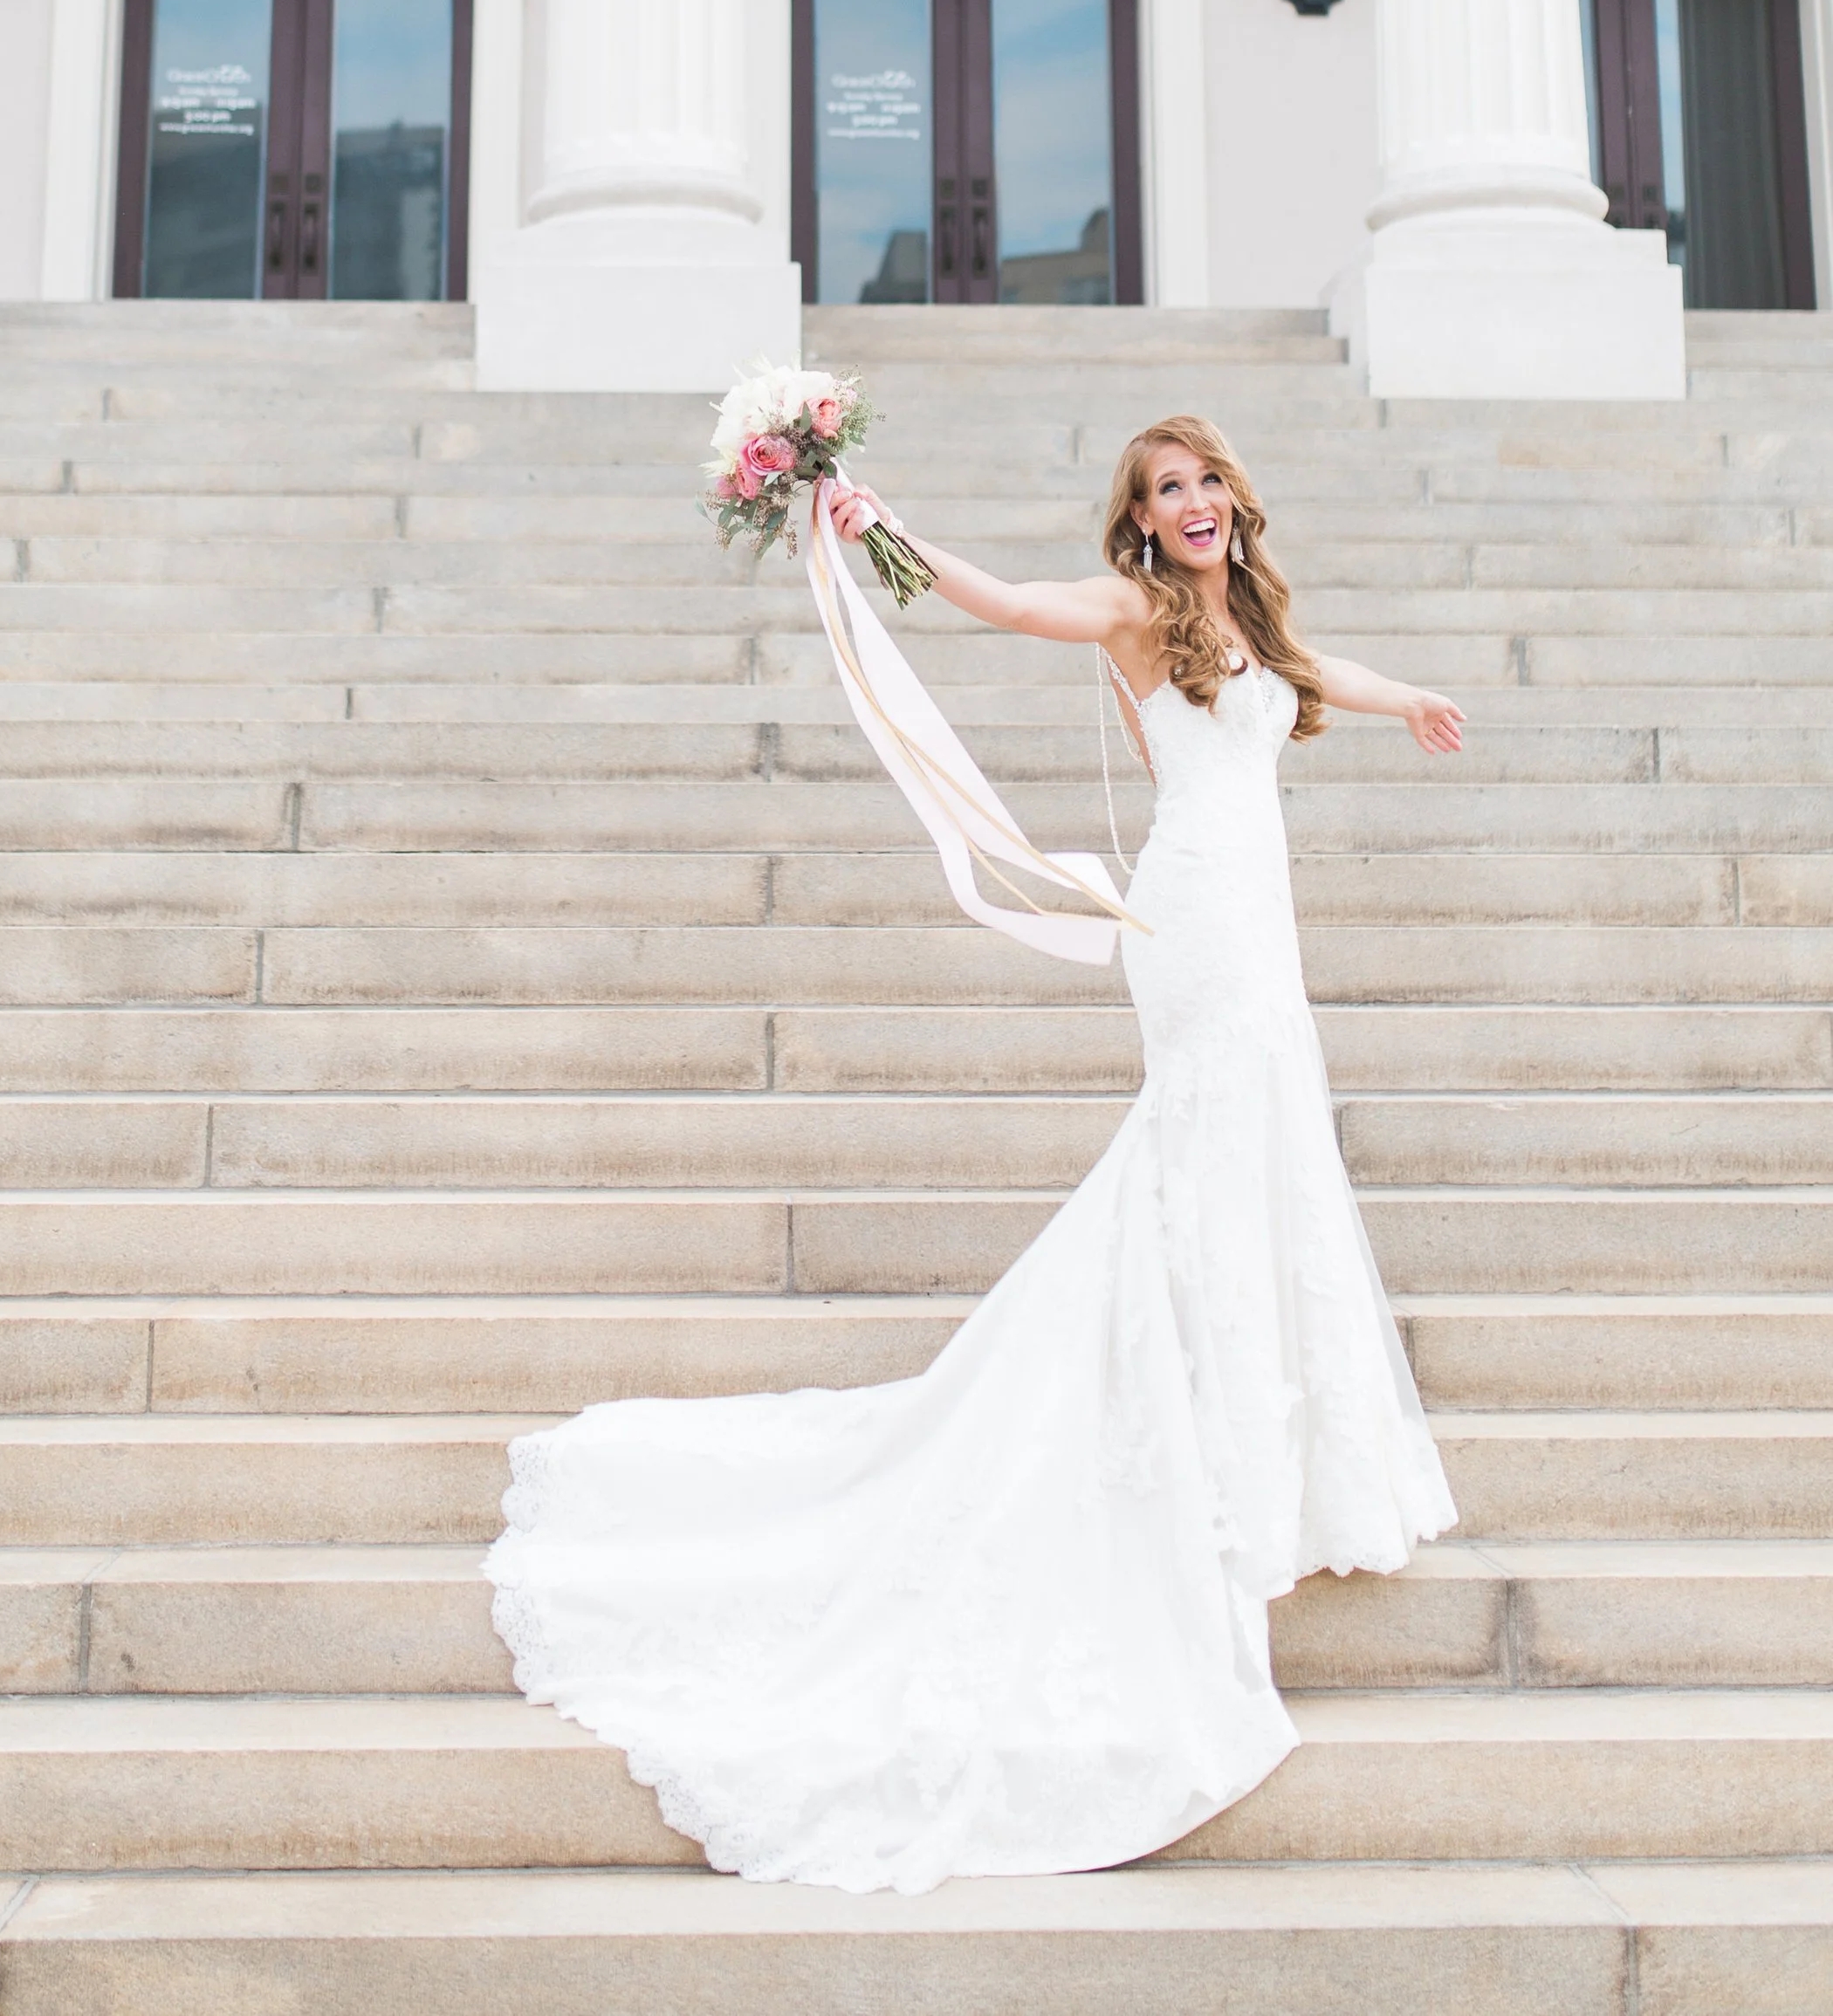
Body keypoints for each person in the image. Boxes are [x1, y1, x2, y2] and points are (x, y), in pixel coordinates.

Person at [486, 413, 1464, 1893]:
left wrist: (1417, 704)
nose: (1191, 505)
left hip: (1264, 926)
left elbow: (1328, 679)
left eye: (1206, 482)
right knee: (1206, 1139)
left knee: (1263, 1142)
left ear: (1236, 500)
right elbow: (1006, 602)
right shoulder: (1134, 612)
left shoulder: (1252, 613)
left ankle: (1266, 1426)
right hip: (1199, 921)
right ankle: (1197, 1416)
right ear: (1137, 521)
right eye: (1164, 492)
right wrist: (877, 525)